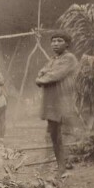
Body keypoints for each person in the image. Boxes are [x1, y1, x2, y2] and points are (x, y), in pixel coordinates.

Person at [36, 31, 78, 178]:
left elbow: (55, 75)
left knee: (63, 133)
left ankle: (63, 166)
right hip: (51, 100)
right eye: (53, 41)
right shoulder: (53, 59)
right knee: (54, 134)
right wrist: (43, 74)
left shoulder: (69, 58)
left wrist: (41, 79)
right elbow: (43, 70)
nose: (55, 44)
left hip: (63, 99)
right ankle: (62, 164)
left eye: (59, 41)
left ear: (67, 44)